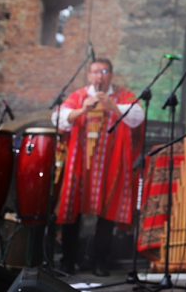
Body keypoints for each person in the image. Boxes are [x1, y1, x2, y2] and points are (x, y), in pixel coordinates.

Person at [52, 58, 145, 277]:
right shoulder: (79, 96)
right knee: (71, 210)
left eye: (103, 72)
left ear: (111, 75)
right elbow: (59, 118)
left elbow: (138, 116)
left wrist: (112, 105)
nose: (99, 76)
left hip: (110, 164)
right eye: (95, 72)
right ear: (89, 75)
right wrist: (82, 109)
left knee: (107, 212)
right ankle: (68, 260)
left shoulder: (122, 95)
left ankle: (100, 262)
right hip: (80, 162)